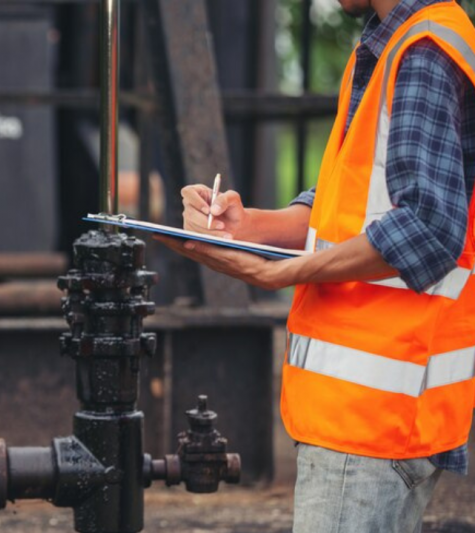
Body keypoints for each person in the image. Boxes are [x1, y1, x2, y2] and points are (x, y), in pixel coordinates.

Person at [156, 0, 475, 531]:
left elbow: (427, 227)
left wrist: (283, 273)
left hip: (370, 418)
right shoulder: (389, 47)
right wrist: (246, 226)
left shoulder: (422, 53)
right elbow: (344, 208)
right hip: (367, 415)